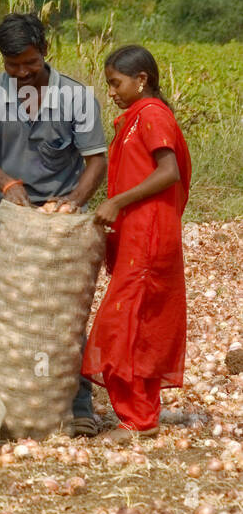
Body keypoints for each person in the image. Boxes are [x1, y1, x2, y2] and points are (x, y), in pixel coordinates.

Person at [0, 12, 109, 436]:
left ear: (44, 51)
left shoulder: (78, 98)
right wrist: (7, 184)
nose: (23, 72)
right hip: (13, 217)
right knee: (4, 306)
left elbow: (95, 161)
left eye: (29, 62)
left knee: (65, 314)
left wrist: (73, 202)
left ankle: (79, 404)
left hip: (65, 220)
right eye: (13, 66)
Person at [82, 46, 191, 442]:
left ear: (141, 79)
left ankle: (139, 420)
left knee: (125, 322)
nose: (111, 90)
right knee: (136, 321)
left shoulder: (152, 115)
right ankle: (140, 413)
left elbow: (169, 172)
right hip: (139, 232)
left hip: (150, 234)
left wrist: (117, 202)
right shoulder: (135, 118)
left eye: (116, 82)